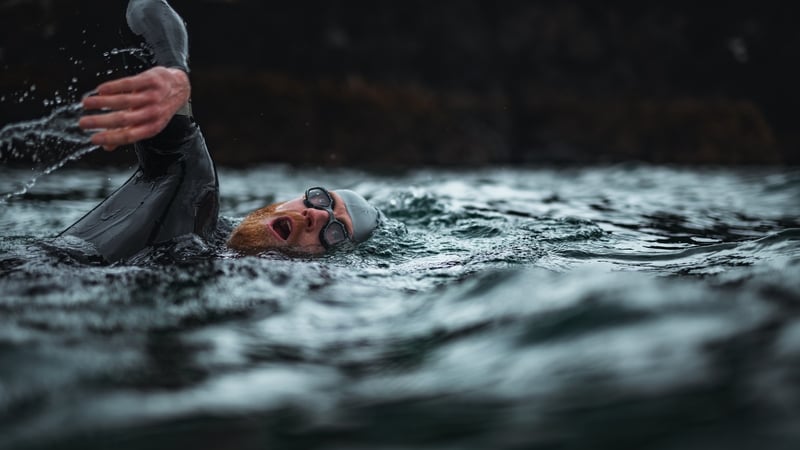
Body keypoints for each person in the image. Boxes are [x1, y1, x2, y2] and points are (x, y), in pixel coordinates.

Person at [59, 0, 379, 263]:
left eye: (335, 233)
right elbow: (145, 6)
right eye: (321, 199)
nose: (318, 216)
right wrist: (172, 68)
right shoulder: (190, 190)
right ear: (283, 203)